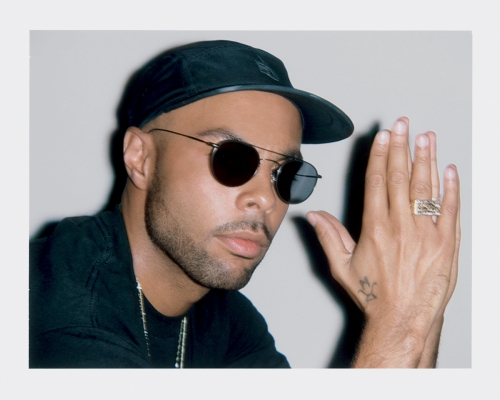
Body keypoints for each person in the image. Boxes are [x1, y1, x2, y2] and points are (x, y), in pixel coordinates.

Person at [29, 40, 460, 368]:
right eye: (233, 160)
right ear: (140, 158)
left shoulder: (223, 319)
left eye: (287, 174)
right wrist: (398, 325)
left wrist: (422, 302)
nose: (265, 199)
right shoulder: (59, 312)